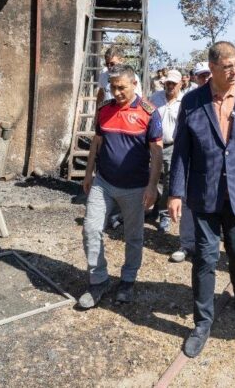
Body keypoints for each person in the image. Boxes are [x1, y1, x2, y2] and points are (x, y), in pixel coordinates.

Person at [168, 41, 235, 359]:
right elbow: (181, 151)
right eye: (228, 66)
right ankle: (202, 323)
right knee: (205, 258)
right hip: (204, 194)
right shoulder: (192, 101)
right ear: (212, 68)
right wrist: (175, 192)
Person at [78, 65, 162, 309]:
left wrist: (152, 186)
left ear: (134, 84)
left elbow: (156, 153)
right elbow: (97, 142)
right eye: (113, 87)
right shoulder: (104, 109)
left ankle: (128, 280)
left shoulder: (148, 112)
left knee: (133, 236)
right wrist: (88, 173)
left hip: (135, 187)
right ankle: (98, 280)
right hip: (103, 183)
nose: (116, 92)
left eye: (121, 87)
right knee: (90, 229)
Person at [149, 69, 184, 234]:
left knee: (169, 179)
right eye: (168, 83)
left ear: (180, 84)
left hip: (173, 145)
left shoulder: (184, 100)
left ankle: (164, 214)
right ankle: (155, 207)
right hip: (154, 144)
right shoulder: (155, 98)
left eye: (173, 83)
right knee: (153, 176)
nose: (170, 86)